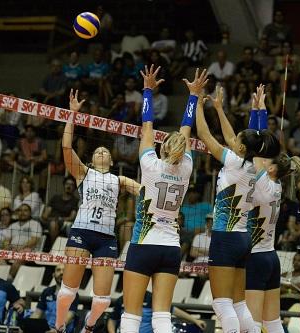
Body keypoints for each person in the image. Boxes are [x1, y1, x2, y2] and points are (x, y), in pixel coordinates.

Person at [119, 65, 201, 333]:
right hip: (170, 248)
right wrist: (194, 96)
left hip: (144, 245)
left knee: (131, 315)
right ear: (182, 150)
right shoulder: (187, 167)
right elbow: (186, 129)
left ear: (162, 147)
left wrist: (147, 91)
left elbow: (146, 125)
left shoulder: (151, 166)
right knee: (162, 316)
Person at [54, 90, 140, 333]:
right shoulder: (84, 173)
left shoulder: (119, 180)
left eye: (106, 151)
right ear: (91, 160)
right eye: (97, 151)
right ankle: (60, 324)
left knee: (102, 299)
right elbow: (66, 147)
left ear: (111, 161)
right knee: (67, 292)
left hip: (106, 239)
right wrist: (72, 115)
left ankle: (89, 326)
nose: (102, 151)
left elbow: (144, 191)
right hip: (82, 232)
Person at [196, 84, 280, 333]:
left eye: (237, 141)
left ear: (241, 148)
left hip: (225, 238)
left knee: (222, 305)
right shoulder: (258, 168)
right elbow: (246, 140)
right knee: (239, 303)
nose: (233, 141)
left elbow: (204, 135)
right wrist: (223, 110)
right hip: (244, 239)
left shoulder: (233, 162)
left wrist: (198, 103)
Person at [246, 151, 300, 333]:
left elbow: (255, 156)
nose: (263, 161)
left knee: (254, 323)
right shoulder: (276, 186)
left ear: (272, 168)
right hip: (271, 257)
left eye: (268, 161)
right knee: (273, 322)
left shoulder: (263, 185)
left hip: (256, 258)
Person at [108, 291, 206, 333]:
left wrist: (195, 320)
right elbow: (112, 320)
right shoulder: (121, 300)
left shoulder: (152, 298)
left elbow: (173, 310)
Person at [31, 264, 78, 333]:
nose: (61, 273)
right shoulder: (46, 292)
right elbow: (37, 314)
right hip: (47, 330)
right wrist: (27, 326)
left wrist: (56, 330)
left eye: (64, 271)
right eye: (58, 270)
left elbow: (69, 317)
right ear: (53, 275)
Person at [41, 177, 79, 245]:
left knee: (54, 224)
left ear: (74, 188)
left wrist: (59, 219)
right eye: (67, 184)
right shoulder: (55, 198)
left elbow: (71, 217)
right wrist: (48, 218)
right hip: (49, 220)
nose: (69, 186)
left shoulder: (75, 201)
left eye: (72, 185)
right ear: (64, 185)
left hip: (63, 222)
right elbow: (45, 214)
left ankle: (53, 246)